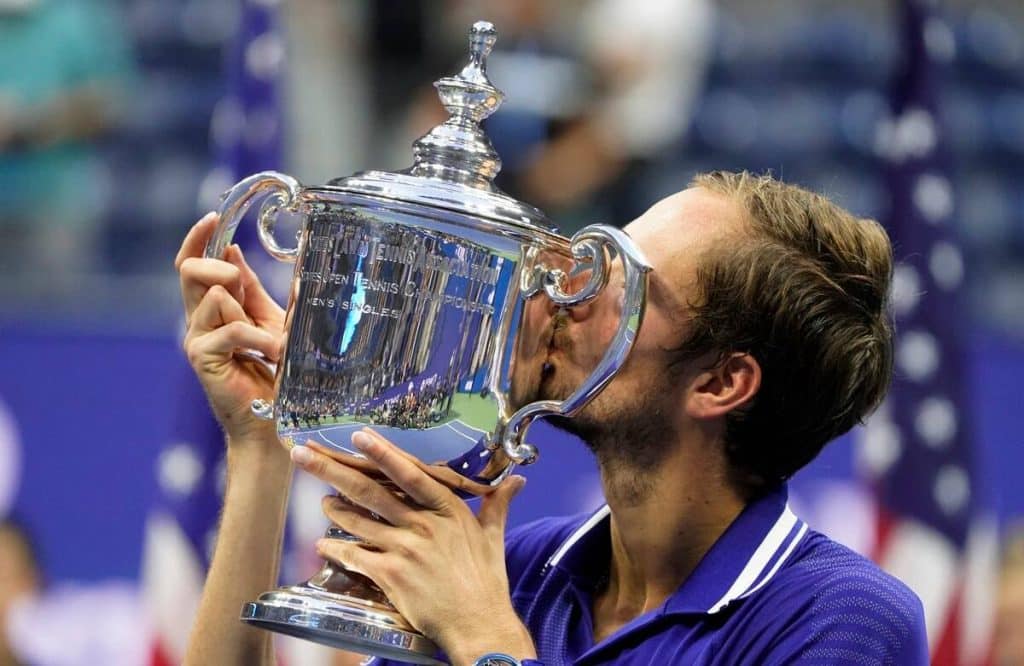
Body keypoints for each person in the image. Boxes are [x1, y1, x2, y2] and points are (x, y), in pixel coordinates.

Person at [176, 171, 928, 665]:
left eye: (622, 282)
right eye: (592, 256)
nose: (566, 291)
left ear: (722, 382)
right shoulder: (519, 570)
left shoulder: (842, 618)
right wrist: (259, 446)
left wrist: (485, 641)